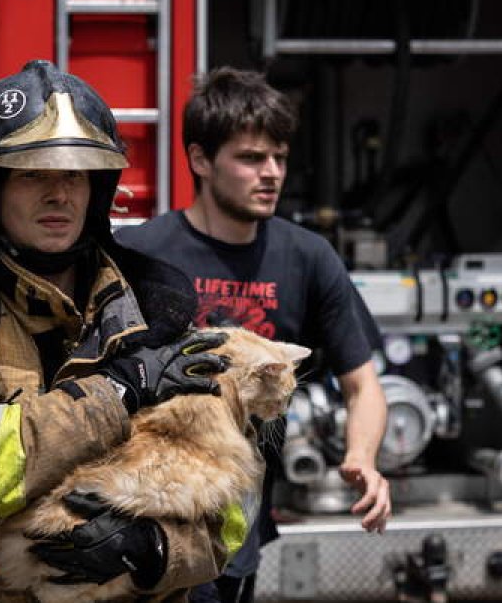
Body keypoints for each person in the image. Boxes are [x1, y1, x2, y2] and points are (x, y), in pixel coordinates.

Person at [0, 59, 249, 602]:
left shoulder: (162, 311)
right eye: (33, 173)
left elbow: (232, 514)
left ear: (97, 189)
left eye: (75, 174)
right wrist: (117, 392)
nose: (59, 194)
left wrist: (152, 550)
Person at [116, 67, 392, 603]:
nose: (270, 174)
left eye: (279, 158)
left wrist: (363, 455)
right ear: (200, 160)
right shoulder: (140, 255)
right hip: (140, 520)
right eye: (250, 158)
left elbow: (363, 386)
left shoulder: (307, 257)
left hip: (235, 535)